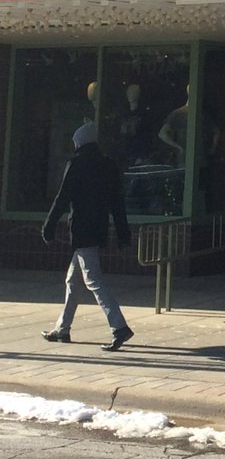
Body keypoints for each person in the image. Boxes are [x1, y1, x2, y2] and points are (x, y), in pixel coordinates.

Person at [40, 122, 134, 352]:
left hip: (82, 228)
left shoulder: (77, 163)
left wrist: (48, 226)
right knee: (73, 280)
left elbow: (62, 199)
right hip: (99, 227)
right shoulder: (108, 165)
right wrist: (123, 233)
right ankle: (62, 329)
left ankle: (119, 326)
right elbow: (117, 203)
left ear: (79, 143)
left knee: (93, 279)